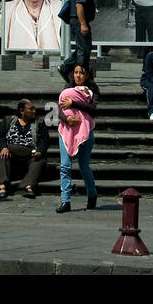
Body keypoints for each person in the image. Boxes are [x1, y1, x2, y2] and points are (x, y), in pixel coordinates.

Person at [56, 63, 99, 213]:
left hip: (85, 133)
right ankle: (65, 200)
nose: (78, 75)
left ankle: (92, 194)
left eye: (81, 72)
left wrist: (74, 103)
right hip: (66, 130)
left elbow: (92, 109)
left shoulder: (91, 92)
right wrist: (66, 120)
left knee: (84, 166)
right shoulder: (66, 90)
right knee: (65, 166)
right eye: (75, 72)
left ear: (87, 75)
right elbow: (59, 109)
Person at [0, 99, 48, 198]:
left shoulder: (39, 123)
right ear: (21, 110)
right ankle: (2, 185)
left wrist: (40, 151)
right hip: (11, 152)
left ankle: (28, 185)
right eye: (31, 109)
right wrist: (3, 147)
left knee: (41, 160)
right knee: (3, 154)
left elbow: (45, 140)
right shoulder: (9, 121)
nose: (34, 111)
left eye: (34, 109)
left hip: (30, 154)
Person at [60, 0, 99, 81]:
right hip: (79, 21)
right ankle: (80, 75)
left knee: (85, 48)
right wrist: (83, 24)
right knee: (83, 50)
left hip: (78, 20)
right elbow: (79, 5)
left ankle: (67, 68)